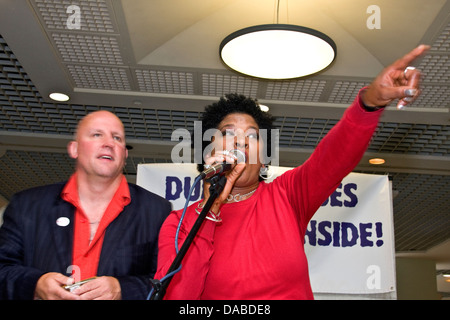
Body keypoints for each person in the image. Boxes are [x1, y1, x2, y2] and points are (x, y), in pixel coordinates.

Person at [154, 45, 430, 299]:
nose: (241, 141)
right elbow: (178, 296)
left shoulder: (286, 195)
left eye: (253, 136)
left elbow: (333, 158)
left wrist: (370, 103)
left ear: (263, 161)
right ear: (207, 151)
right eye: (228, 133)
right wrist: (210, 210)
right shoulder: (178, 223)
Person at [0, 110, 171, 300]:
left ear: (125, 154)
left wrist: (122, 289)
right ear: (74, 149)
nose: (108, 143)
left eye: (117, 138)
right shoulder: (27, 205)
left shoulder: (156, 211)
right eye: (97, 135)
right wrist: (36, 284)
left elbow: (169, 280)